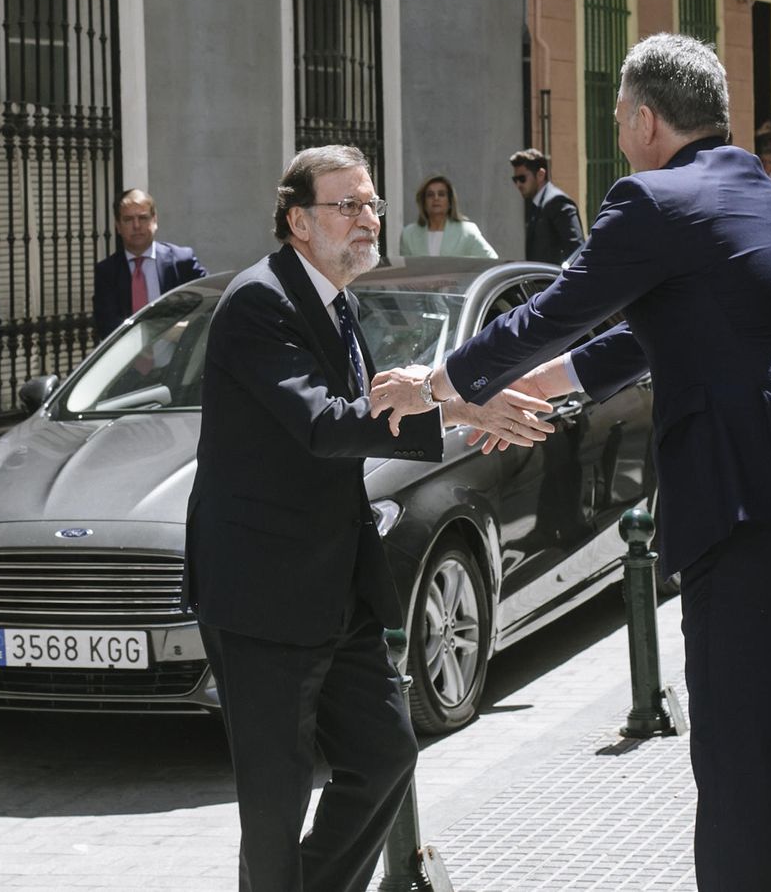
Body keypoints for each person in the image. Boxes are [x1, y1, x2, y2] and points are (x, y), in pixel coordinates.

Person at [371, 34, 771, 892]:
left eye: (619, 116)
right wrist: (541, 392)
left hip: (745, 510)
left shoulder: (654, 200)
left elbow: (557, 309)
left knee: (739, 763)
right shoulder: (758, 194)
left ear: (640, 118)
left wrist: (440, 382)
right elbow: (646, 334)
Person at [181, 145, 551, 892]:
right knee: (276, 803)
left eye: (373, 204)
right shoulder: (261, 301)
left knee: (386, 753)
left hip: (336, 587)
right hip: (262, 598)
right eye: (347, 205)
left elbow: (367, 411)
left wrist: (448, 399)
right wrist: (453, 403)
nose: (368, 220)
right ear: (297, 220)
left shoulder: (336, 300)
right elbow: (323, 424)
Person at [92, 188, 208, 342]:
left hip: (180, 358)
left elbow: (208, 304)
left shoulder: (181, 261)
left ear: (155, 220)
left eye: (143, 218)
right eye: (128, 219)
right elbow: (106, 325)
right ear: (118, 226)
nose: (136, 225)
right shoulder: (107, 272)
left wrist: (184, 327)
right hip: (130, 360)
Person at [510, 149, 584, 264]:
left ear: (540, 175)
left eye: (522, 179)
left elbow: (576, 250)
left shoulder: (557, 202)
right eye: (515, 180)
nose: (518, 184)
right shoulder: (537, 205)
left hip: (556, 279)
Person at [397, 175, 498, 258]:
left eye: (441, 194)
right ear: (423, 202)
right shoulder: (408, 234)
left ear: (450, 201)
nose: (436, 198)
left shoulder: (467, 231)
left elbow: (491, 259)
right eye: (430, 195)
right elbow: (405, 272)